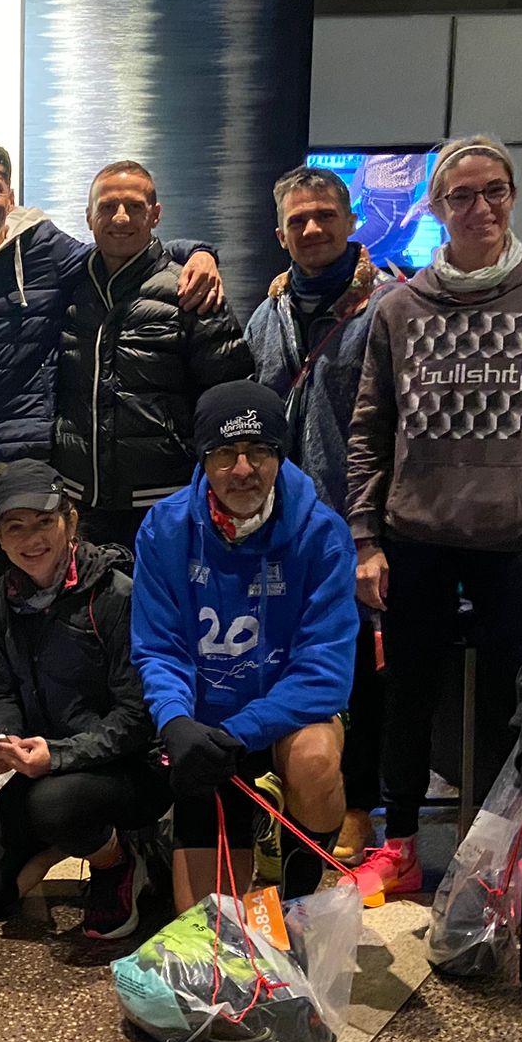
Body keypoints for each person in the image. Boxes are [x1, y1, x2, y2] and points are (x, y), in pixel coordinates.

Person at [345, 135, 522, 904]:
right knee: (406, 698)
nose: (480, 208)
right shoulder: (400, 308)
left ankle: (509, 863)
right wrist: (365, 538)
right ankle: (399, 846)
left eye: (494, 191)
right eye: (461, 195)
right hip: (415, 536)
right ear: (437, 206)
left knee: (511, 709)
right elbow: (370, 429)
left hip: (516, 541)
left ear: (512, 196)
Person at [0, 139, 223, 517]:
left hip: (22, 462)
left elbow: (121, 249)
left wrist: (198, 252)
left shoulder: (46, 248)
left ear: (10, 199)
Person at [132, 381, 359, 911]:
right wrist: (175, 721)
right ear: (203, 460)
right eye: (225, 453)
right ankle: (202, 837)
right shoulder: (164, 529)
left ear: (280, 456)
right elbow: (159, 648)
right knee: (205, 921)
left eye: (259, 450)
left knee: (315, 761)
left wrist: (242, 732)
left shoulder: (323, 534)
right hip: (205, 729)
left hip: (283, 722)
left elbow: (324, 672)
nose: (242, 469)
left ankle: (296, 893)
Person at [0, 462, 164, 939]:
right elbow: (5, 690)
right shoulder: (1, 599)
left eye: (44, 521)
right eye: (15, 527)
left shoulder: (116, 596)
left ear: (70, 521)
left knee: (53, 804)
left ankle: (117, 859)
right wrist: (6, 740)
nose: (32, 539)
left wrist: (58, 756)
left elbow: (137, 718)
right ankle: (64, 843)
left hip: (124, 769)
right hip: (46, 766)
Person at [246, 163, 392, 862]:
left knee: (360, 666)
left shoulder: (387, 309)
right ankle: (291, 790)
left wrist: (372, 530)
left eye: (324, 216)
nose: (311, 229)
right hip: (281, 527)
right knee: (281, 655)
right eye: (297, 220)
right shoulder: (266, 316)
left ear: (350, 223)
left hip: (359, 523)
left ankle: (359, 804)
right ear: (280, 234)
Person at [55, 160, 253, 548]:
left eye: (135, 206)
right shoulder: (67, 287)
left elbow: (231, 399)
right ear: (89, 216)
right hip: (78, 501)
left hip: (166, 501)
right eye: (107, 206)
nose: (120, 217)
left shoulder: (193, 290)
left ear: (155, 214)